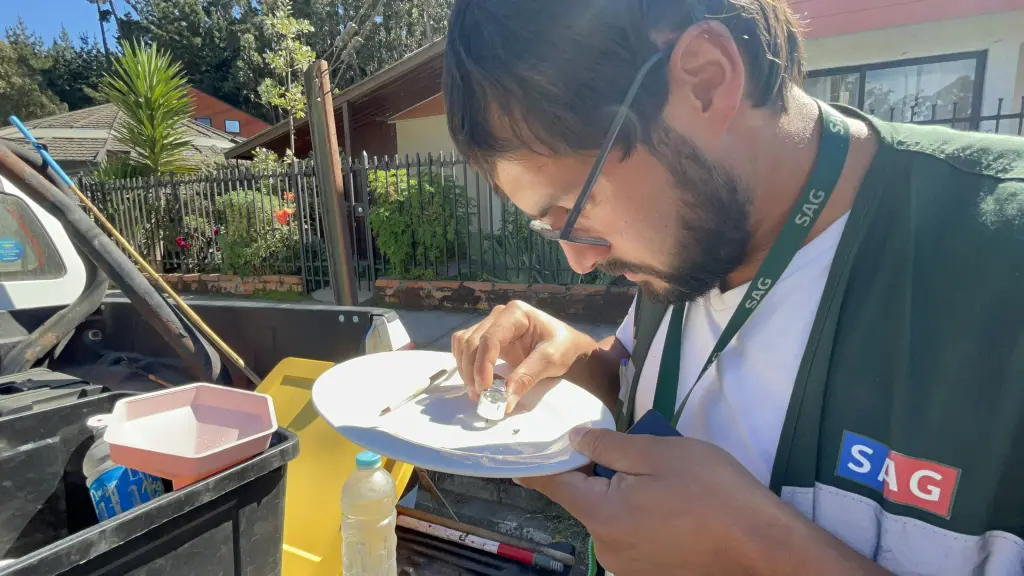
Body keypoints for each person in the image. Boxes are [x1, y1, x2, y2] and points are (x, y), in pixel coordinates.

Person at [443, 1, 1024, 574]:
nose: (578, 261)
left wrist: (761, 551)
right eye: (552, 227)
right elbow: (654, 391)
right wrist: (576, 362)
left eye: (576, 209)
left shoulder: (999, 252)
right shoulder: (697, 230)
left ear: (706, 80)